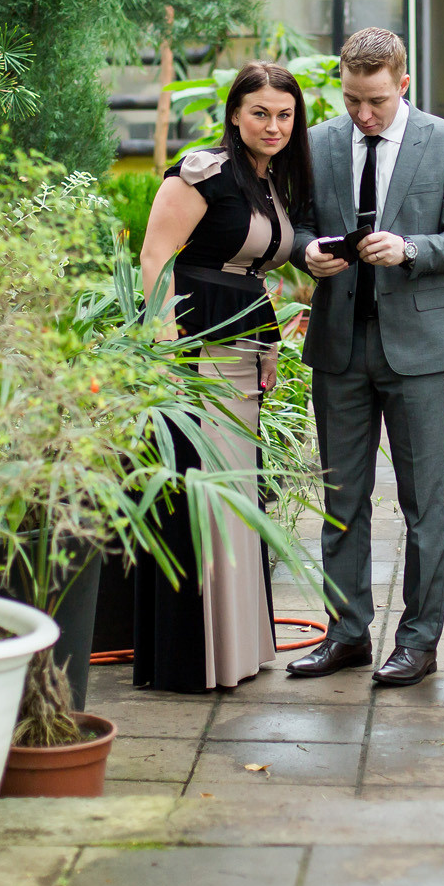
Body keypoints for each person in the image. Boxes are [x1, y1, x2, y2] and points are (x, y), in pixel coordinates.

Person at [285, 27, 444, 686]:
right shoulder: (317, 142)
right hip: (338, 344)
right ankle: (346, 634)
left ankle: (419, 642)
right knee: (341, 497)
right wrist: (306, 251)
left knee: (423, 501)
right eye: (351, 100)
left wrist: (412, 249)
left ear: (403, 83)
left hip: (420, 347)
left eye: (375, 100)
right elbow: (294, 224)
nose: (363, 114)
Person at [133, 61, 312, 693]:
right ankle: (191, 660)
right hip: (195, 349)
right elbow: (155, 255)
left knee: (235, 491)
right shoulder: (202, 170)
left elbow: (251, 275)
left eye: (284, 115)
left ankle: (235, 649)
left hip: (241, 350)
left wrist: (268, 347)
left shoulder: (270, 182)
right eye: (260, 112)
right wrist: (164, 344)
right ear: (235, 113)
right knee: (199, 488)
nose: (273, 125)